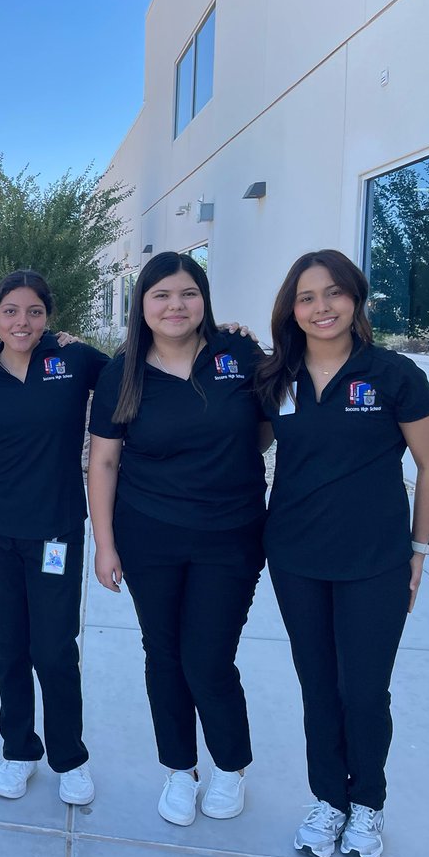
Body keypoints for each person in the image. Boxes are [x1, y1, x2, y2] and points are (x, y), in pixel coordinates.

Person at [255, 250, 429, 857]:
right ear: (292, 309)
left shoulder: (393, 374)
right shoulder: (275, 378)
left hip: (374, 559)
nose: (321, 308)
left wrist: (419, 548)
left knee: (364, 689)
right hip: (296, 557)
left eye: (333, 293)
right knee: (318, 687)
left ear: (356, 299)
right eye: (306, 298)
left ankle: (367, 804)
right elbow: (248, 441)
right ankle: (327, 800)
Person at [86, 251, 269, 827]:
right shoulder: (123, 371)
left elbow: (265, 432)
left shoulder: (239, 356)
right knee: (163, 654)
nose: (175, 305)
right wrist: (105, 542)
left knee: (209, 658)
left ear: (205, 300)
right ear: (142, 304)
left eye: (188, 293)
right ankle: (179, 769)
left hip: (230, 537)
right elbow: (105, 462)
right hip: (149, 538)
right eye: (161, 295)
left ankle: (230, 766)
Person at [0, 269, 109, 807]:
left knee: (53, 647)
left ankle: (69, 756)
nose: (21, 322)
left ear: (49, 317)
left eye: (34, 311)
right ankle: (18, 749)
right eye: (10, 312)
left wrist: (224, 340)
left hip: (55, 531)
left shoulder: (72, 360)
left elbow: (144, 372)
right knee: (7, 646)